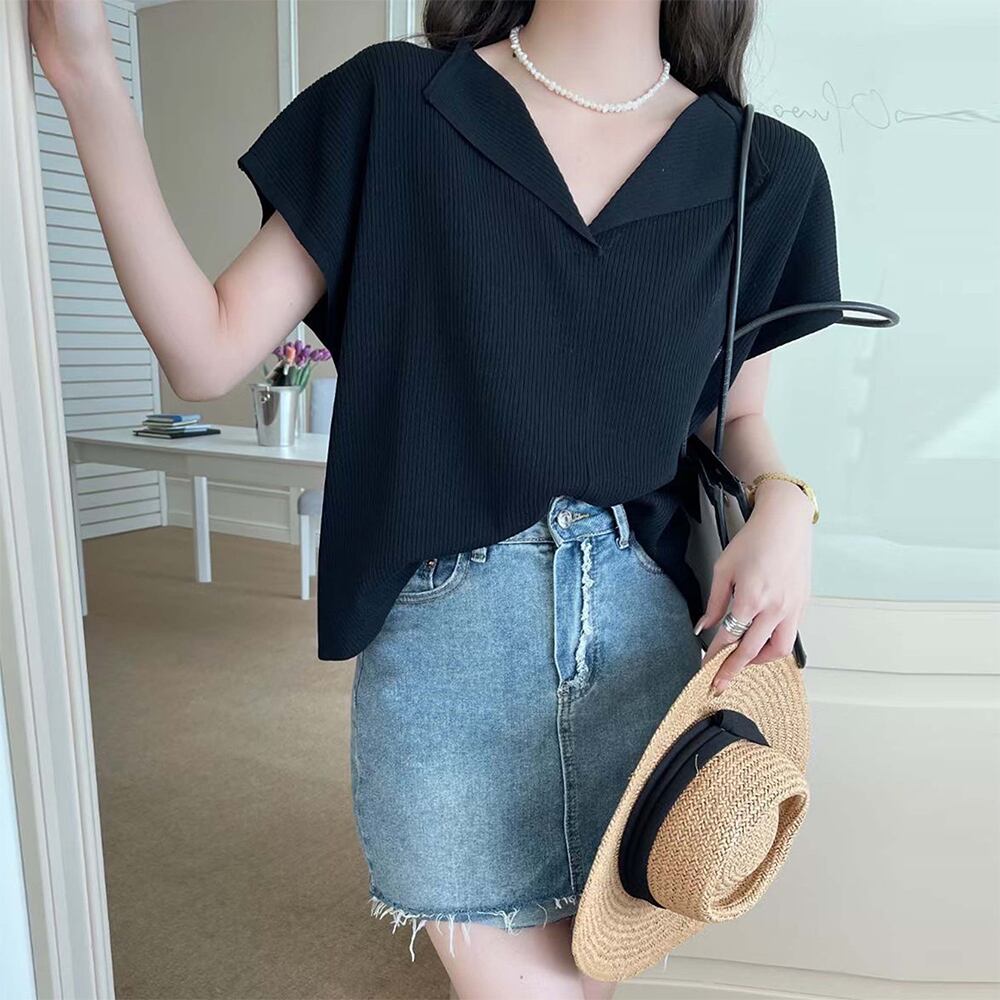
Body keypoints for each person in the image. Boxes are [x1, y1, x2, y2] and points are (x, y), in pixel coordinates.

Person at [30, 0, 838, 996]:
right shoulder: (396, 104)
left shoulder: (764, 168)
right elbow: (205, 351)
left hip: (646, 640)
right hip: (450, 642)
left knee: (594, 961)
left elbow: (733, 415)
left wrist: (786, 504)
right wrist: (87, 74)